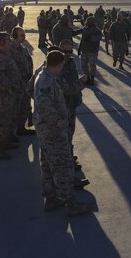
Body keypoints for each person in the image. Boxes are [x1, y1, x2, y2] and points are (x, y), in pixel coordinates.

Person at [33, 50, 94, 217]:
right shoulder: (46, 82)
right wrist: (61, 125)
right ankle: (70, 203)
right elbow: (46, 109)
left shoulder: (45, 76)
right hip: (53, 132)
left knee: (47, 164)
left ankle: (51, 198)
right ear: (59, 64)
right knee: (63, 166)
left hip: (46, 131)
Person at [0, 32, 23, 160]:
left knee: (8, 119)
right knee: (1, 121)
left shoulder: (5, 54)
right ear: (1, 42)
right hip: (3, 94)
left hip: (10, 93)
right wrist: (11, 87)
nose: (10, 42)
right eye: (7, 41)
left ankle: (6, 142)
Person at [58, 39, 87, 169]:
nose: (68, 54)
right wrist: (82, 83)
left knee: (70, 132)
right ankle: (67, 160)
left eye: (70, 51)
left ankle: (69, 154)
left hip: (71, 104)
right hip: (63, 106)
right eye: (65, 51)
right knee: (65, 134)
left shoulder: (71, 62)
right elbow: (67, 88)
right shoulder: (58, 65)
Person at [9, 27, 36, 136]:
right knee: (15, 109)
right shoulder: (9, 49)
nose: (24, 37)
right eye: (22, 35)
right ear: (15, 36)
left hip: (25, 83)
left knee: (26, 107)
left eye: (24, 35)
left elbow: (29, 62)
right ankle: (11, 132)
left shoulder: (23, 48)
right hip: (16, 85)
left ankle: (21, 128)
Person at [79, 17, 103, 84]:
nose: (87, 24)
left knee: (92, 66)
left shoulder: (97, 30)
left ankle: (92, 78)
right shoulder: (85, 29)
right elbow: (82, 39)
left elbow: (99, 37)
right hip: (84, 50)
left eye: (88, 22)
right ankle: (87, 78)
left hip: (92, 51)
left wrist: (91, 38)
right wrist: (79, 48)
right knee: (83, 65)